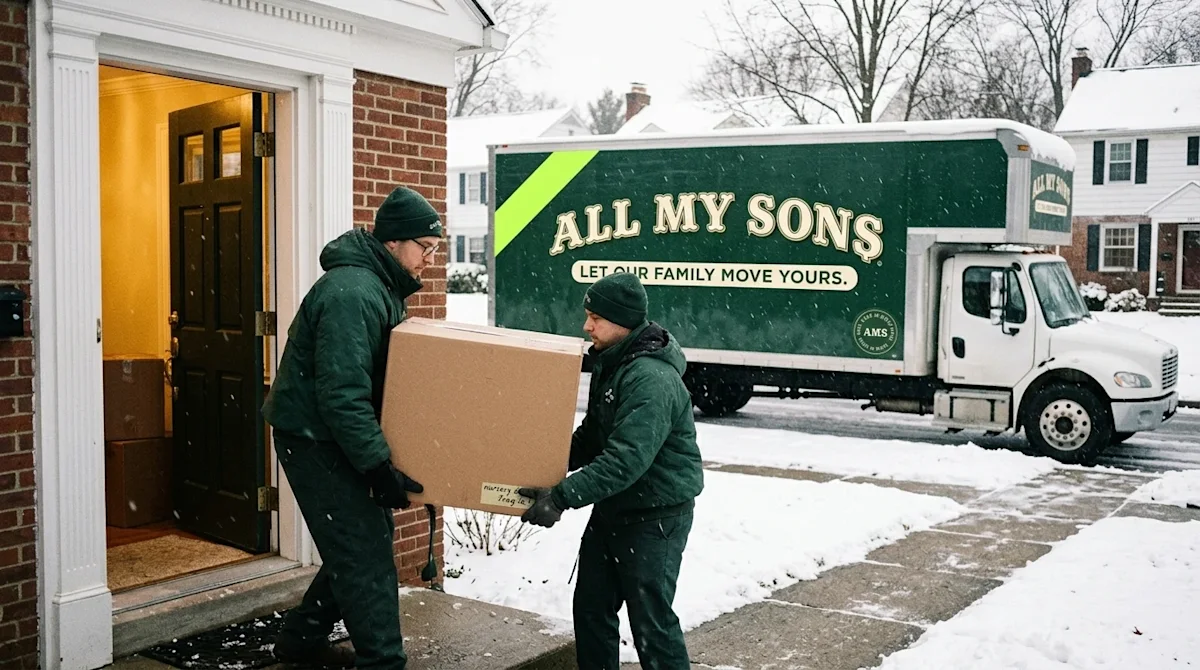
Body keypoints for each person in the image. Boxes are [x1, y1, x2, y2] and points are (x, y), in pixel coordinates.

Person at [261, 186, 443, 669]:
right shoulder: (353, 292)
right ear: (393, 243)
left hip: (333, 434)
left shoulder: (377, 286)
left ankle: (300, 640)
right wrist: (377, 464)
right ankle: (383, 662)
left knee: (362, 541)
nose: (430, 258)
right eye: (425, 247)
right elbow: (341, 394)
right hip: (313, 439)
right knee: (363, 555)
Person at [518, 272, 704, 670]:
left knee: (652, 625)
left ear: (622, 321)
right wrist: (544, 464)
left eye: (595, 318)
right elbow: (594, 435)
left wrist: (562, 496)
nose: (586, 326)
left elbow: (626, 460)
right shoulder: (614, 362)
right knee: (591, 610)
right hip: (614, 510)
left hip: (655, 517)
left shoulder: (650, 378)